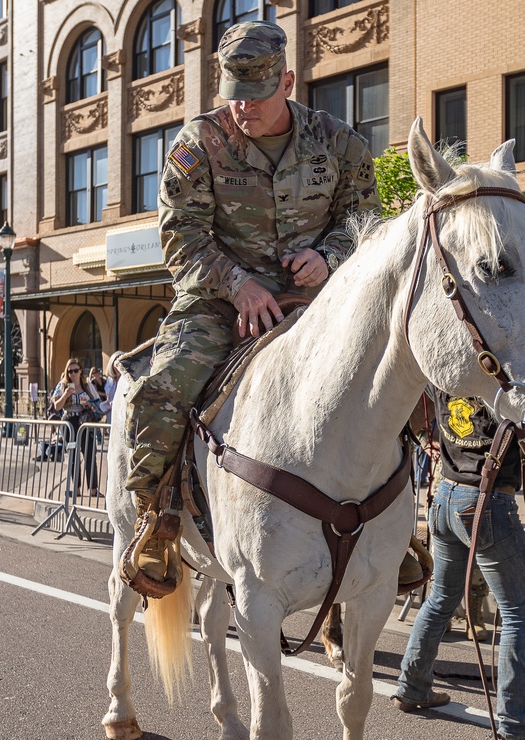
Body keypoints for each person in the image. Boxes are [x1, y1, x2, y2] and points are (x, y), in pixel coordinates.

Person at [122, 21, 379, 583]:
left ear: (287, 81)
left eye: (257, 97)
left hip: (318, 303)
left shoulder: (340, 144)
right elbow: (180, 235)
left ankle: (398, 531)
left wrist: (331, 256)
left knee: (391, 384)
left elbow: (365, 221)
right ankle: (155, 520)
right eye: (234, 97)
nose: (244, 110)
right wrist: (237, 282)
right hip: (218, 303)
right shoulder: (198, 144)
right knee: (162, 387)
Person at [393, 389, 525, 740]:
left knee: (441, 598)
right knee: (519, 613)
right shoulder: (498, 384)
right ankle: (517, 723)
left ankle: (412, 687)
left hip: (446, 494)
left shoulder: (445, 380)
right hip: (487, 501)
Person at [50, 358, 102, 497]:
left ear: (80, 371)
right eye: (70, 371)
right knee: (73, 456)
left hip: (86, 421)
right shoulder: (63, 385)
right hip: (70, 421)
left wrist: (90, 405)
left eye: (75, 370)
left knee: (90, 454)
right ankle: (77, 489)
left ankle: (93, 489)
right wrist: (66, 395)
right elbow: (56, 406)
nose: (72, 374)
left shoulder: (88, 385)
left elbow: (98, 404)